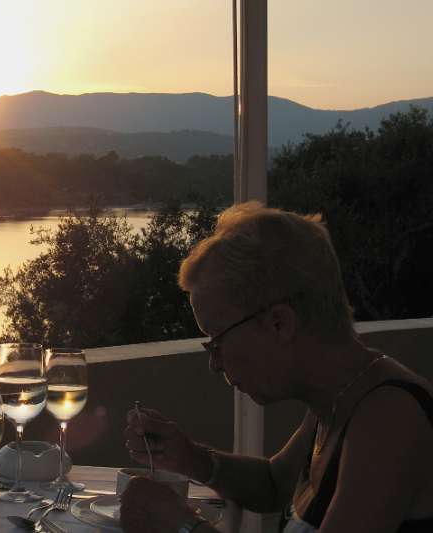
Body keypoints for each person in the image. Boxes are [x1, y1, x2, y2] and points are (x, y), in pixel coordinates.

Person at [121, 202, 433, 533]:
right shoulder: (340, 396)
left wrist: (183, 526)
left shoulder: (388, 419)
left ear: (279, 324)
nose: (214, 363)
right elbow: (272, 485)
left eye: (217, 341)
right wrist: (188, 456)